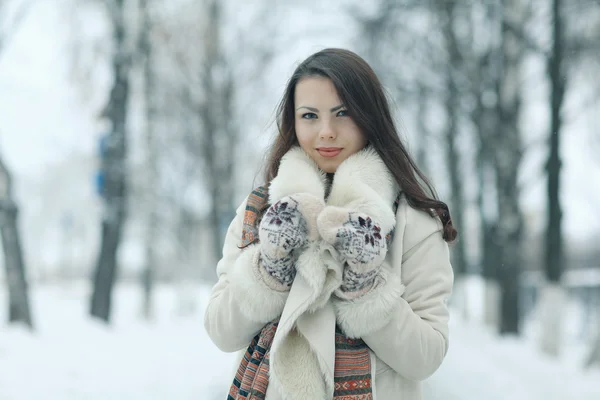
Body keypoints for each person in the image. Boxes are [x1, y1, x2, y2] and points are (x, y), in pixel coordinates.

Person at [204, 48, 456, 400]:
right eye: (309, 115)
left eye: (343, 113)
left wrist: (364, 286)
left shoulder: (411, 221)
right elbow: (221, 331)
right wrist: (270, 269)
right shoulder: (261, 210)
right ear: (293, 123)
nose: (326, 132)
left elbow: (425, 358)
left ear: (370, 117)